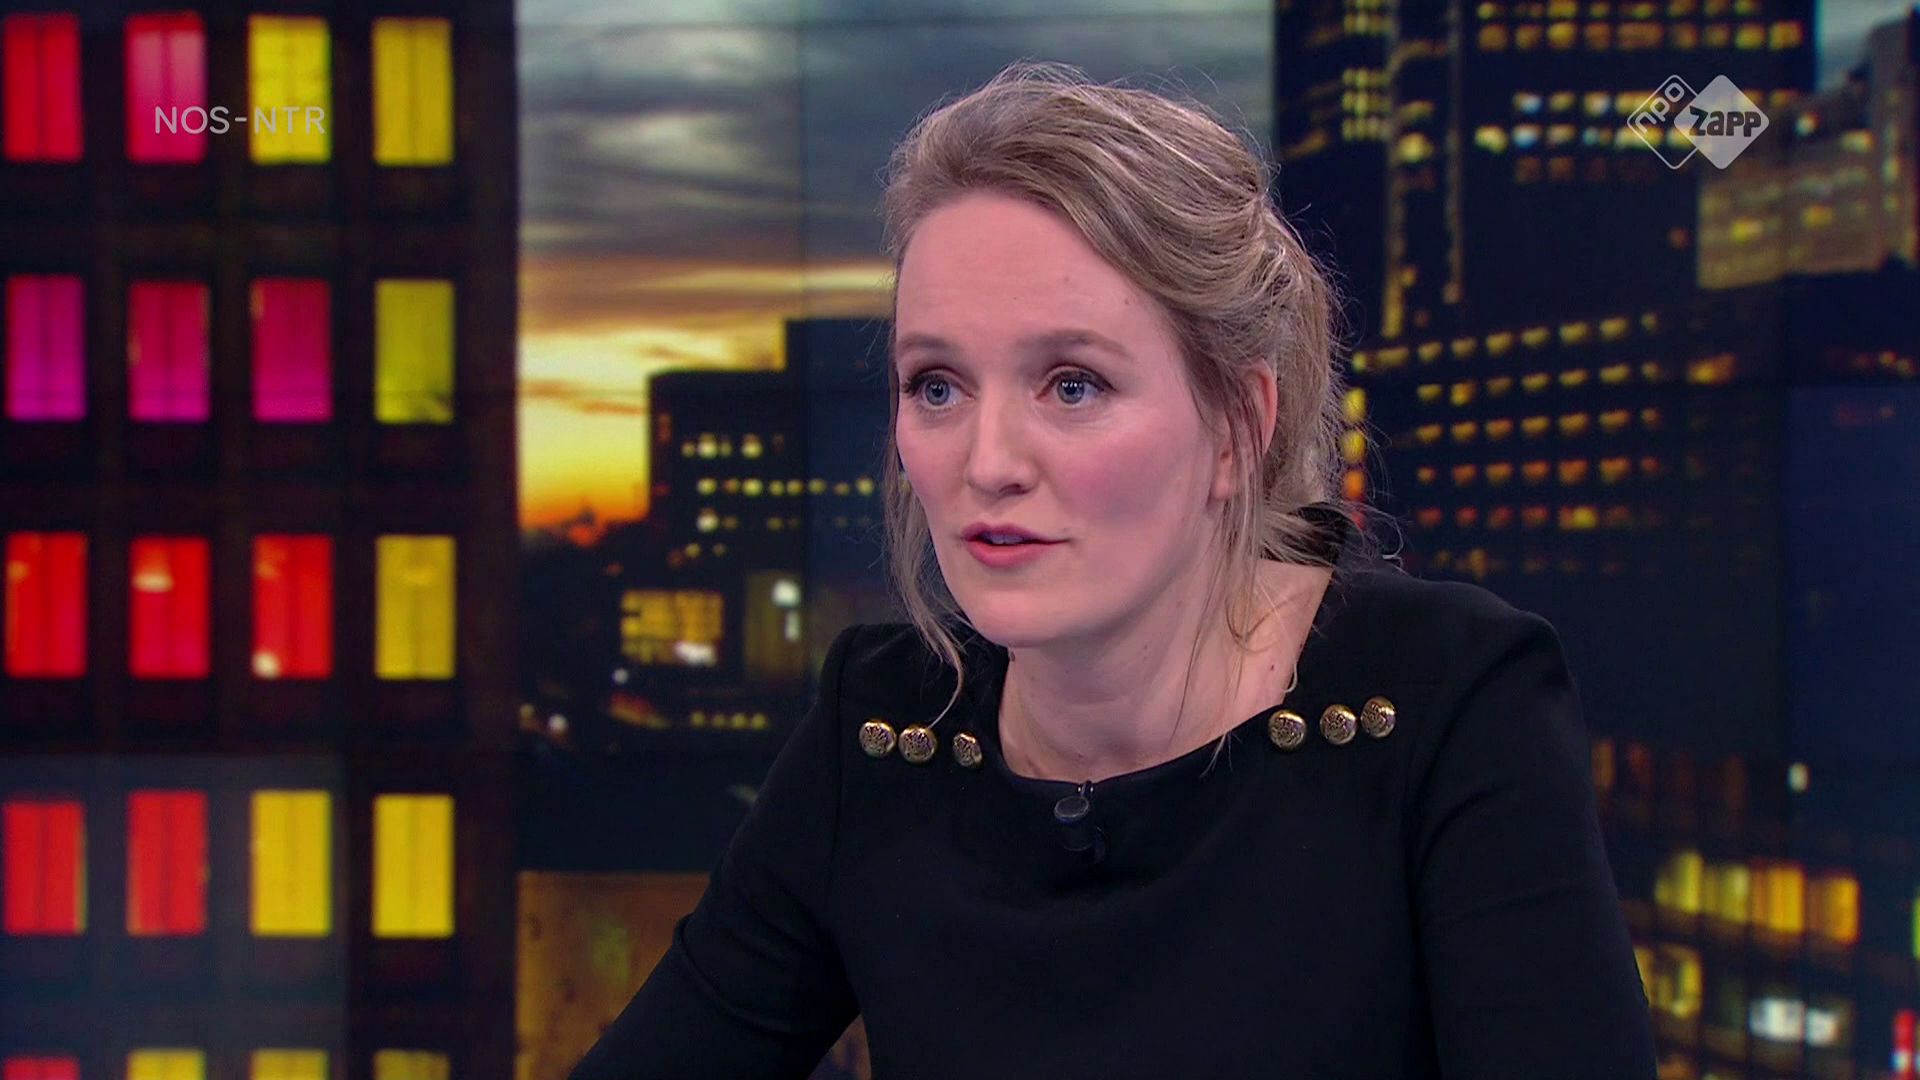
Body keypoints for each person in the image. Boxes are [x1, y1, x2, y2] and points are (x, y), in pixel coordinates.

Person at [567, 60, 1657, 1079]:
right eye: (937, 386)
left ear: (1239, 426)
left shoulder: (1445, 705)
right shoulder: (885, 726)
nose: (988, 463)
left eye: (1072, 385)